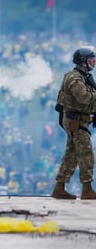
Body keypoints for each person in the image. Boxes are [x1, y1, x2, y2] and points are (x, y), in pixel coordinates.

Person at [52, 47, 96, 200]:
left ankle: (60, 187)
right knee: (86, 154)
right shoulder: (75, 78)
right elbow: (83, 98)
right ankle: (87, 188)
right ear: (83, 61)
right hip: (75, 120)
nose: (94, 62)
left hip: (77, 120)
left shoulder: (82, 77)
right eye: (91, 59)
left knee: (72, 155)